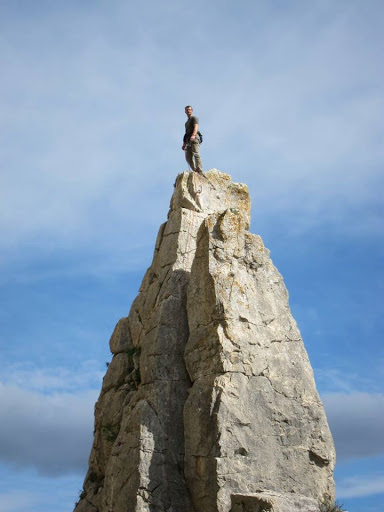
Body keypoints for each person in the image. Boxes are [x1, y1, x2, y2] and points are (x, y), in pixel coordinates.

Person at [182, 105, 203, 173]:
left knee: (196, 153)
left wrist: (193, 135)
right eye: (187, 110)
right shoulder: (186, 123)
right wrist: (184, 143)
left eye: (189, 109)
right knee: (188, 157)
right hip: (188, 140)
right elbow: (186, 133)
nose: (188, 111)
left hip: (194, 138)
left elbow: (196, 127)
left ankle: (199, 169)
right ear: (185, 111)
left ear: (192, 110)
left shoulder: (194, 118)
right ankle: (195, 170)